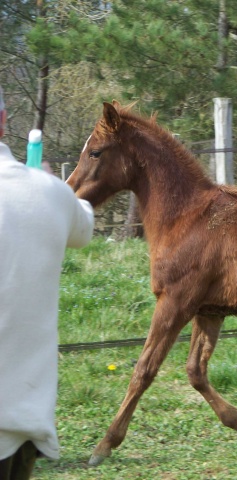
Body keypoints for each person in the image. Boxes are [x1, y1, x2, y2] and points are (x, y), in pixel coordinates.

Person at [0, 84, 94, 479]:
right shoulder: (52, 194)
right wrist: (47, 182)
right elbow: (83, 225)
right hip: (20, 428)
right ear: (4, 122)